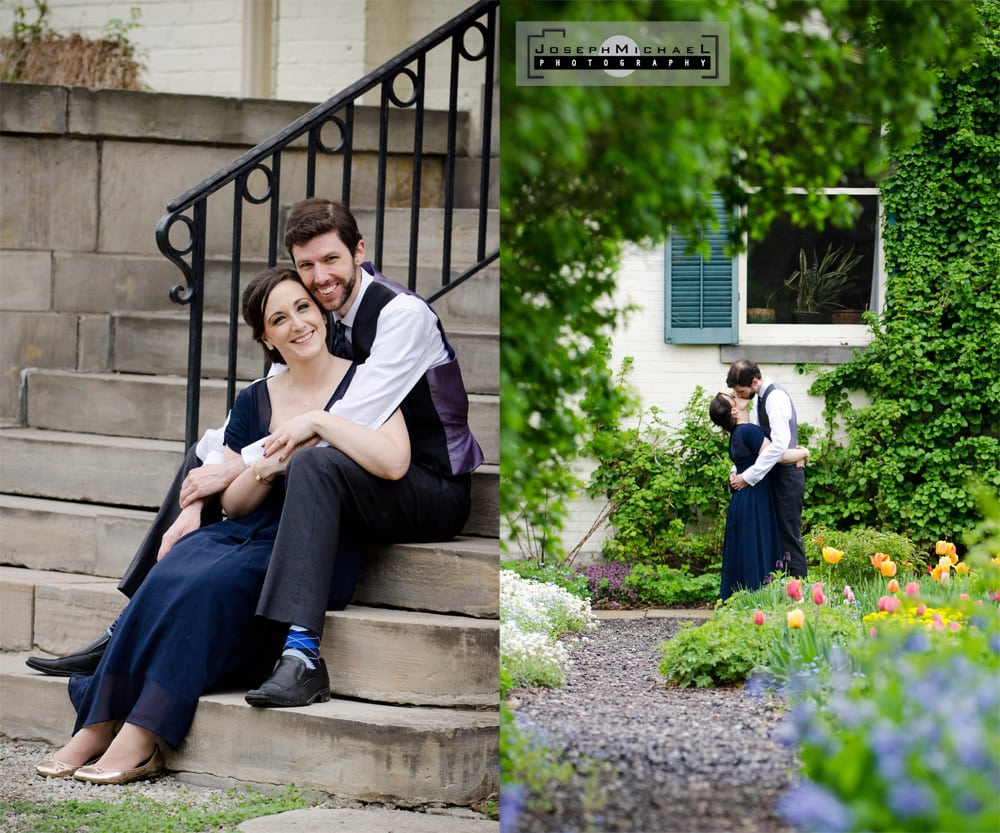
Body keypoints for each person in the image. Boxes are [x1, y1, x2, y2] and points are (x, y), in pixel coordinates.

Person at [27, 198, 483, 709]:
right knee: (205, 455)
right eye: (307, 265)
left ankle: (303, 655)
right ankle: (127, 627)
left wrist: (239, 466)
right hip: (359, 472)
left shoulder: (402, 315)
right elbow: (245, 425)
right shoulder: (318, 314)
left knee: (298, 459)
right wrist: (203, 490)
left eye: (331, 260)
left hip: (426, 484)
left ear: (359, 252)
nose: (320, 277)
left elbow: (348, 413)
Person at [35, 267, 412, 784]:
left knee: (206, 586)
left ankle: (142, 731)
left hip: (304, 545)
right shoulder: (256, 398)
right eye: (279, 319)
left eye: (303, 308)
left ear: (322, 312)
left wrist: (325, 426)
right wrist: (265, 465)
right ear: (266, 337)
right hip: (242, 531)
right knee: (172, 570)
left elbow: (395, 461)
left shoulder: (363, 382)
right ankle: (98, 723)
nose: (298, 324)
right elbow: (233, 504)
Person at [709, 392, 809, 599]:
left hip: (741, 500)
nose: (736, 395)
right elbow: (777, 455)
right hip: (755, 499)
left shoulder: (736, 434)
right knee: (758, 550)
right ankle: (759, 603)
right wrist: (804, 452)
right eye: (731, 397)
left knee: (745, 553)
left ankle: (740, 603)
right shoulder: (749, 431)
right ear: (734, 410)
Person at [724, 359, 808, 578]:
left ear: (753, 381)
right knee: (779, 538)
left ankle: (800, 595)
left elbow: (779, 445)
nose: (739, 396)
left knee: (789, 537)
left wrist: (748, 476)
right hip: (776, 475)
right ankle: (783, 595)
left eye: (741, 391)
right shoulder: (762, 398)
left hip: (788, 477)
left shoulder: (774, 398)